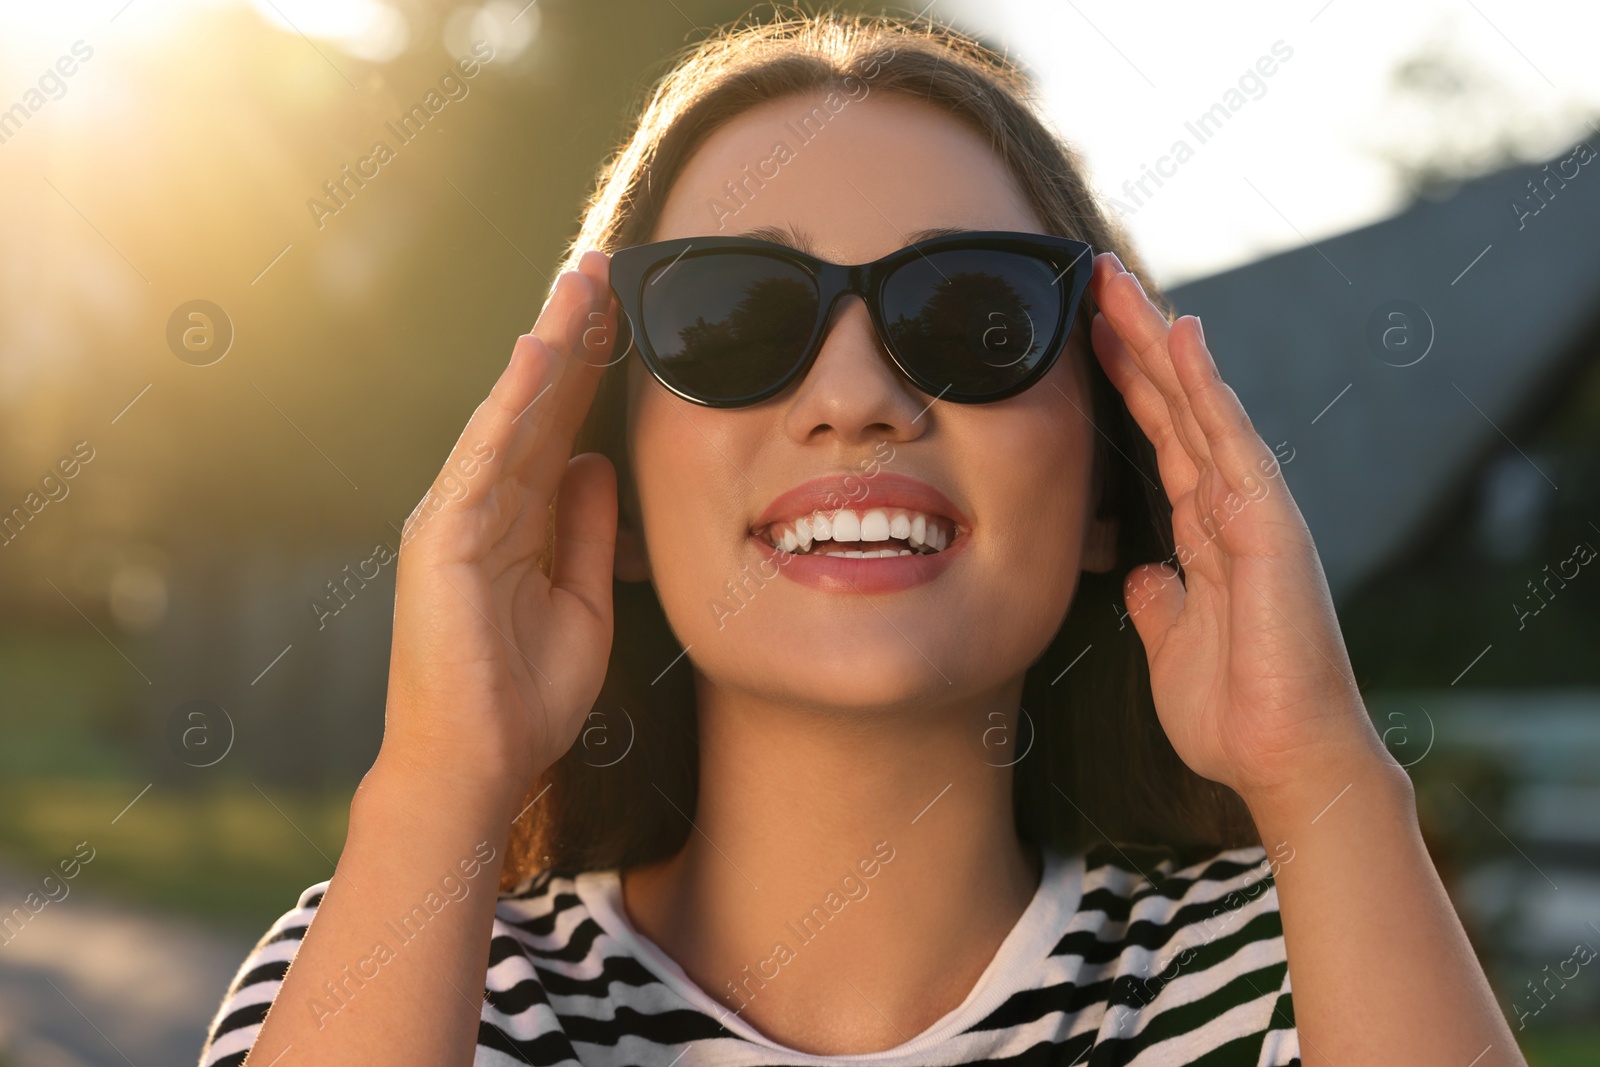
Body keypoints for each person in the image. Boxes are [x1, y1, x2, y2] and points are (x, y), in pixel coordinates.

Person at [199, 11, 1523, 1067]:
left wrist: (1327, 775)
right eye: (730, 318)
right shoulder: (400, 970)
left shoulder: (1292, 978)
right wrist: (437, 780)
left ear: (1112, 479)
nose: (856, 397)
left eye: (976, 315)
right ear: (616, 497)